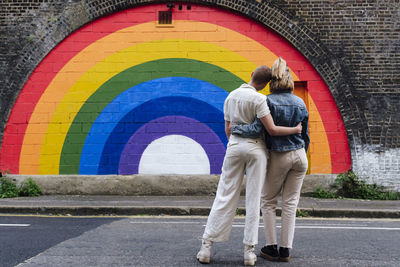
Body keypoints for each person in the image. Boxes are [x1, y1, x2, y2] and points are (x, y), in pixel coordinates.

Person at [196, 65, 302, 266]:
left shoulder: (231, 96)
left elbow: (228, 129)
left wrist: (234, 142)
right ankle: (249, 253)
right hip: (256, 150)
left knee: (224, 194)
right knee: (253, 199)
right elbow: (270, 129)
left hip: (234, 146)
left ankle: (206, 247)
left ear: (251, 75)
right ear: (265, 85)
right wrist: (295, 129)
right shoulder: (261, 99)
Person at [231, 57, 309, 262]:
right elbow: (306, 135)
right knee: (291, 203)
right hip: (300, 156)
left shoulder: (268, 101)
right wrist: (302, 154)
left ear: (272, 82)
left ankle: (271, 247)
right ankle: (285, 250)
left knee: (268, 201)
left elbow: (258, 129)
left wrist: (234, 129)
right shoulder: (300, 102)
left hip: (279, 155)